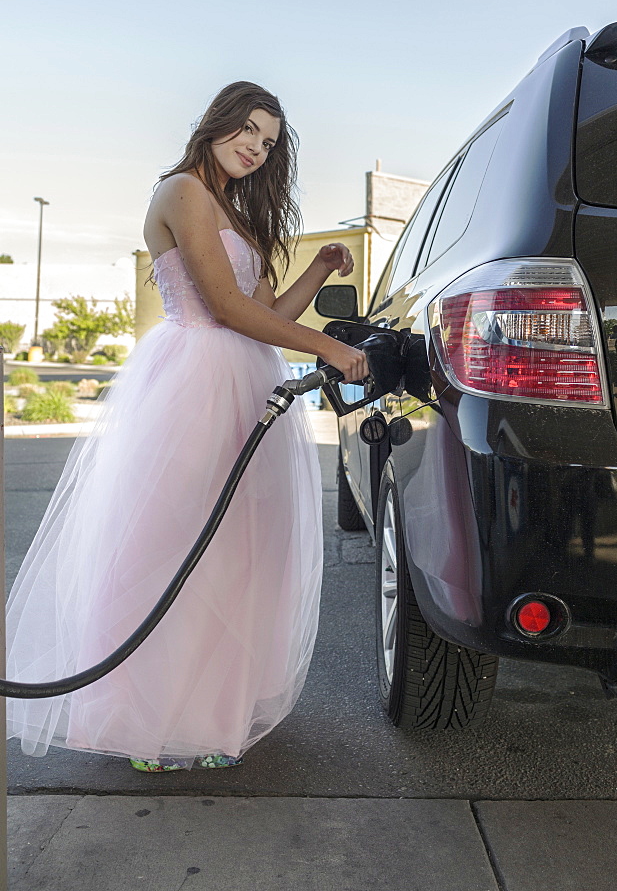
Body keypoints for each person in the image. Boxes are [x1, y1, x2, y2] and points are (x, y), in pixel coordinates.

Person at [5, 81, 368, 772]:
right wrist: (328, 346)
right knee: (174, 545)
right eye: (249, 131)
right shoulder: (181, 192)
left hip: (248, 383)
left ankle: (207, 716)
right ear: (217, 123)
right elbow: (226, 308)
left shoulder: (233, 209)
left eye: (268, 142)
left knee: (234, 555)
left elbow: (269, 313)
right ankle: (149, 720)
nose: (257, 148)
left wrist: (319, 272)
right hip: (195, 385)